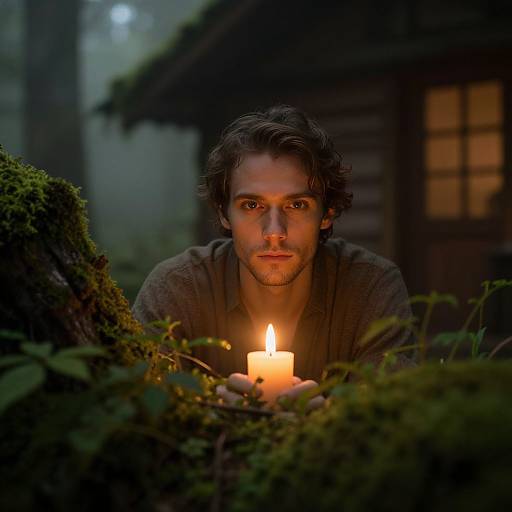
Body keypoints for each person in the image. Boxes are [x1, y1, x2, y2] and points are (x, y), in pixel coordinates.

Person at [133, 105, 414, 406]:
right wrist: (208, 416)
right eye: (252, 206)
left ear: (327, 213)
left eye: (297, 206)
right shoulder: (177, 288)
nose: (274, 232)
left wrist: (327, 418)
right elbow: (137, 410)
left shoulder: (370, 286)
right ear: (223, 213)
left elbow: (394, 414)